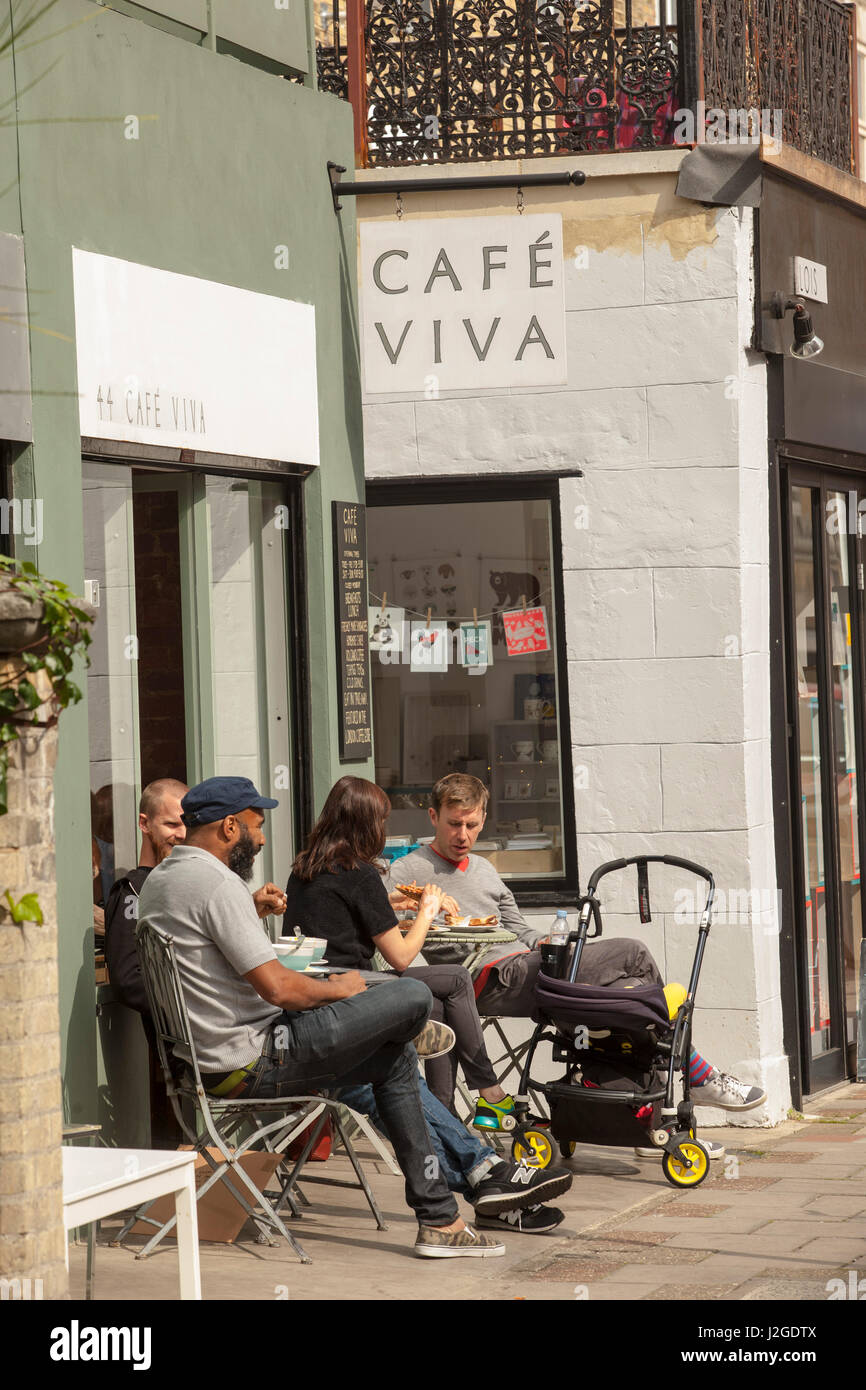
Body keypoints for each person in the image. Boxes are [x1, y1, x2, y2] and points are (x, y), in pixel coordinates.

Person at [135, 775, 534, 1259]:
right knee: (409, 993)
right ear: (228, 827)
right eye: (257, 827)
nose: (261, 839)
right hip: (256, 1055)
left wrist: (254, 911)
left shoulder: (163, 879)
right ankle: (409, 1031)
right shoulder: (216, 884)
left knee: (394, 1060)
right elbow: (282, 989)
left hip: (206, 1058)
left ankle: (441, 1220)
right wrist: (337, 988)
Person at [387, 773, 768, 1144]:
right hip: (483, 980)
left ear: (484, 819)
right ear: (434, 817)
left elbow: (523, 932)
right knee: (632, 952)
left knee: (627, 991)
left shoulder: (485, 869)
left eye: (472, 824)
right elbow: (383, 924)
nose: (463, 835)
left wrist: (560, 944)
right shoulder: (407, 871)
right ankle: (696, 1076)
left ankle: (648, 1112)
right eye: (454, 824)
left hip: (531, 969)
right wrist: (412, 906)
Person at [284, 776, 520, 1120]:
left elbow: (345, 907)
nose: (383, 828)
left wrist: (398, 900)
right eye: (381, 820)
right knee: (455, 979)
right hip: (355, 990)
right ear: (366, 824)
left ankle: (443, 1108)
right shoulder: (360, 873)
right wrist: (426, 908)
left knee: (437, 1001)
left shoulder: (305, 867)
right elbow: (401, 955)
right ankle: (488, 1088)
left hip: (313, 988)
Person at [338, 1074, 566, 1234]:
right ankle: (488, 1179)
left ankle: (489, 1181)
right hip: (316, 1064)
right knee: (383, 1091)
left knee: (402, 1072)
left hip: (338, 1050)